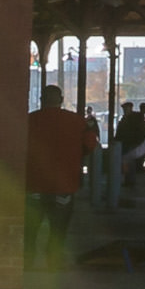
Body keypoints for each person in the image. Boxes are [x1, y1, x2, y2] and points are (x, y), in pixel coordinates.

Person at [23, 83, 92, 270]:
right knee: (58, 230)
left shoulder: (29, 120)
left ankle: (27, 262)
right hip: (64, 185)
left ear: (41, 100)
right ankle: (53, 262)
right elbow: (91, 146)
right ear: (61, 100)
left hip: (34, 183)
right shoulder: (77, 122)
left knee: (30, 229)